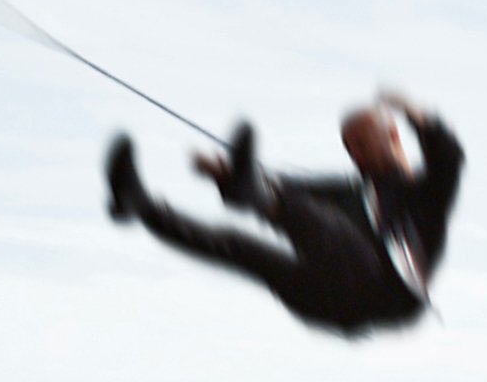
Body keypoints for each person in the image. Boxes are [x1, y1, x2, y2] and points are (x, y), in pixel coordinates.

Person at [104, 91, 464, 336]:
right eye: (349, 148)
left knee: (325, 225)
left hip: (387, 295)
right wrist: (228, 176)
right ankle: (141, 206)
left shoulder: (425, 192)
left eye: (362, 144)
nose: (356, 155)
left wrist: (418, 115)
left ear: (393, 136)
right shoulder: (351, 192)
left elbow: (449, 159)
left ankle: (251, 192)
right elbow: (283, 188)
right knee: (240, 246)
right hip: (323, 300)